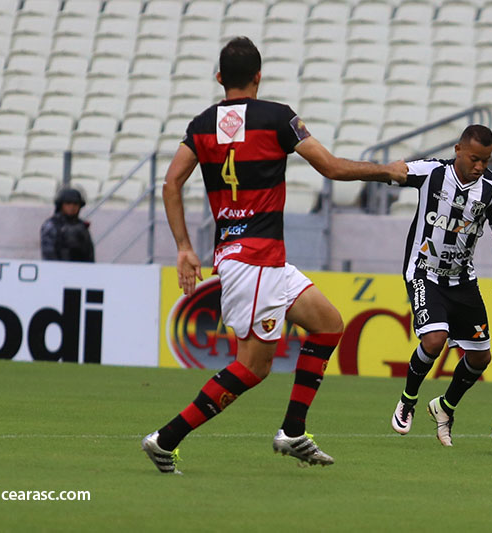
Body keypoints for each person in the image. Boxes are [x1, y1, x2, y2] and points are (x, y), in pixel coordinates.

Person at [142, 36, 407, 474]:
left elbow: (171, 184)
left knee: (328, 325)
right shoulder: (278, 118)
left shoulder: (201, 125)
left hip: (255, 258)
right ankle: (164, 439)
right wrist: (387, 172)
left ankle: (293, 430)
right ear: (259, 78)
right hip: (255, 262)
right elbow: (331, 167)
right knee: (253, 368)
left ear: (220, 78)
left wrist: (185, 247)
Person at [390, 124, 492, 447]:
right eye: (474, 159)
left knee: (481, 359)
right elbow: (396, 171)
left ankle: (444, 408)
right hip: (424, 273)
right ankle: (408, 399)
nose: (480, 166)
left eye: (486, 160)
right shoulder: (431, 173)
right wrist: (379, 170)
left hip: (463, 280)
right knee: (434, 339)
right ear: (458, 150)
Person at [40, 187, 95, 262]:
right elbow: (49, 254)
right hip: (58, 270)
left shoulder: (82, 226)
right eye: (68, 203)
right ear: (61, 205)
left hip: (81, 270)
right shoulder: (52, 225)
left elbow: (89, 253)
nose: (72, 207)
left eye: (76, 204)